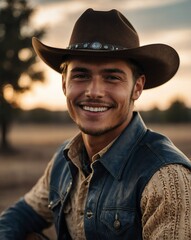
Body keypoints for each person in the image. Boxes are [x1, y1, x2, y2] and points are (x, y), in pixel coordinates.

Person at [0, 8, 191, 240]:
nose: (94, 92)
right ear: (64, 84)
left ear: (137, 87)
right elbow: (19, 216)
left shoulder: (166, 178)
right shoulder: (64, 159)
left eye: (112, 77)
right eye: (81, 75)